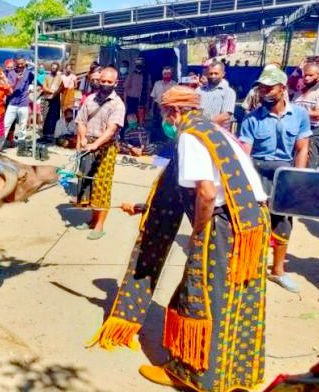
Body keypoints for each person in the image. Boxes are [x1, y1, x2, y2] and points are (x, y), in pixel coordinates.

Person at [89, 85, 270, 392]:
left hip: (224, 224)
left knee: (199, 297)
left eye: (164, 113)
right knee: (237, 297)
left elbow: (206, 192)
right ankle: (236, 373)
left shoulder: (190, 136)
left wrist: (199, 232)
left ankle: (189, 373)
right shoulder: (215, 131)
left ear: (173, 112)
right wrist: (142, 207)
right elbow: (204, 185)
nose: (165, 120)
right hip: (252, 222)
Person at [239, 67, 311, 293]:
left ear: (282, 88)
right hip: (258, 171)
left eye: (269, 87)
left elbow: (302, 148)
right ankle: (251, 268)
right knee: (255, 220)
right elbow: (245, 154)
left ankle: (278, 270)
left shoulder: (299, 115)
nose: (264, 92)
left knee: (283, 222)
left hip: (285, 173)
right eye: (261, 88)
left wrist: (297, 180)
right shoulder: (251, 119)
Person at [74, 67, 125, 240]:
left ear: (115, 83)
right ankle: (91, 219)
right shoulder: (89, 99)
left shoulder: (118, 104)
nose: (104, 84)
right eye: (102, 80)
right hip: (88, 145)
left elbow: (111, 130)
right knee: (88, 183)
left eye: (109, 82)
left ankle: (99, 224)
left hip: (105, 148)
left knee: (102, 186)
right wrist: (82, 139)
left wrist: (95, 144)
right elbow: (81, 120)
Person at [292, 63, 319, 168]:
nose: (307, 78)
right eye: (305, 75)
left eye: (311, 75)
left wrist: (300, 114)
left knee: (308, 163)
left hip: (313, 132)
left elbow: (317, 115)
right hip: (297, 131)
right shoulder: (299, 92)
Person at [197, 61, 236, 130]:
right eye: (210, 73)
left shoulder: (228, 92)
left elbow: (225, 115)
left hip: (218, 132)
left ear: (223, 74)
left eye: (216, 73)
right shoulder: (199, 90)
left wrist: (206, 126)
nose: (213, 76)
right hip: (197, 130)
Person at [4, 56, 34, 142]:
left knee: (22, 125)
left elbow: (38, 73)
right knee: (6, 124)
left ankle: (21, 144)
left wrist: (31, 64)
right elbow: (10, 89)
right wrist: (16, 81)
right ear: (15, 63)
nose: (20, 66)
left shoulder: (28, 73)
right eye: (18, 64)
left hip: (23, 103)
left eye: (22, 64)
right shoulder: (11, 73)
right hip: (12, 102)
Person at [150, 66, 177, 141]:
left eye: (168, 73)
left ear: (171, 74)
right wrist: (152, 110)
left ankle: (168, 144)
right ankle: (157, 143)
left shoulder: (175, 84)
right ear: (162, 74)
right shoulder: (157, 84)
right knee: (157, 128)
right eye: (165, 73)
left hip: (170, 111)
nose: (167, 75)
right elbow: (153, 98)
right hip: (158, 110)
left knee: (168, 128)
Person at [41, 61, 63, 142]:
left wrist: (54, 93)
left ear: (57, 69)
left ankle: (54, 134)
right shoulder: (47, 76)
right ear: (51, 68)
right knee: (46, 116)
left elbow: (61, 87)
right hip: (47, 98)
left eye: (55, 68)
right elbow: (44, 87)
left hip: (56, 98)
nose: (54, 69)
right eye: (53, 68)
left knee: (55, 116)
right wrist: (51, 91)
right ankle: (45, 134)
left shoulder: (60, 77)